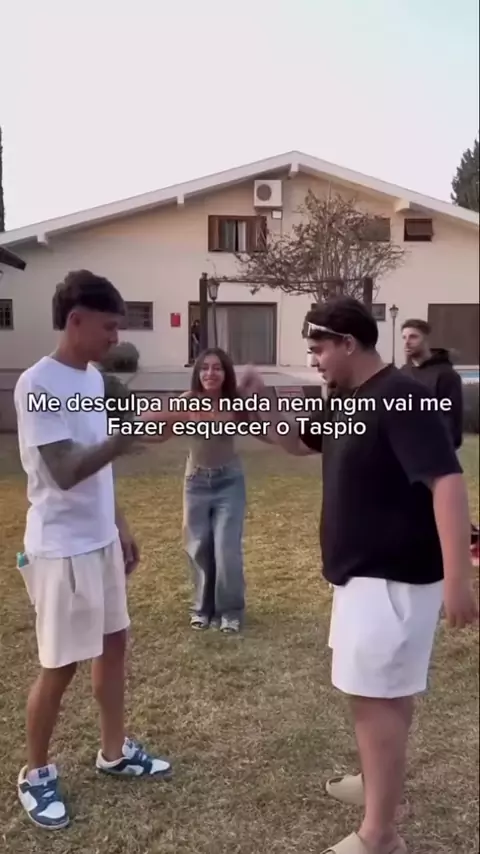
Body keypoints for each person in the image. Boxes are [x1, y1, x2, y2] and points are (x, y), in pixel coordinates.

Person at [242, 297, 477, 854]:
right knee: (380, 694)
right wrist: (258, 403)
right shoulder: (348, 399)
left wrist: (457, 579)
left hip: (393, 579)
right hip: (361, 578)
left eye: (318, 348)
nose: (314, 359)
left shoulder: (402, 397)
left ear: (348, 343)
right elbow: (298, 442)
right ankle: (377, 786)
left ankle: (379, 835)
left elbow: (447, 482)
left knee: (376, 699)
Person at [13, 270, 184, 830]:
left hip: (100, 540)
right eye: (109, 327)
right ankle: (35, 774)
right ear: (76, 320)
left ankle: (113, 752)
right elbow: (64, 471)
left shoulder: (90, 379)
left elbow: (97, 463)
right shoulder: (38, 384)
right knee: (59, 666)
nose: (116, 338)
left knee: (114, 647)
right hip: (61, 549)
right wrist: (130, 435)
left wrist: (119, 523)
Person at [142, 347, 252, 634]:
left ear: (225, 373)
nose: (210, 373)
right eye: (204, 368)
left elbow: (265, 428)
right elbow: (162, 433)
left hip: (229, 481)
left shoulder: (236, 403)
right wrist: (129, 436)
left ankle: (230, 611)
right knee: (198, 548)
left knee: (226, 550)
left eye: (217, 368)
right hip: (196, 482)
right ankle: (202, 609)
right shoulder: (187, 401)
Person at [400, 318, 479, 564]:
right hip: (404, 451)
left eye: (413, 336)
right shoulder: (403, 374)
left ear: (427, 339)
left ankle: (472, 541)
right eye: (404, 337)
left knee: (444, 506)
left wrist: (439, 450)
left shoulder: (446, 375)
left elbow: (451, 420)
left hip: (435, 453)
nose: (407, 342)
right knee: (416, 505)